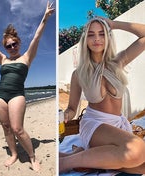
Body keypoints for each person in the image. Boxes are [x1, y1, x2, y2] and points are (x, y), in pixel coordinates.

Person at [0, 1, 54, 172]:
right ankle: (14, 154)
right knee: (6, 128)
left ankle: (32, 157)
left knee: (17, 128)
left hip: (17, 94)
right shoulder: (2, 59)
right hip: (0, 95)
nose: (12, 47)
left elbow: (37, 37)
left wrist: (45, 17)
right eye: (8, 46)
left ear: (18, 43)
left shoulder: (26, 58)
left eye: (14, 44)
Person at [59, 17, 145, 173]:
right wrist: (66, 114)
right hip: (94, 124)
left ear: (108, 36)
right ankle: (65, 163)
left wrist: (115, 24)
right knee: (138, 150)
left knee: (141, 164)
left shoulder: (118, 62)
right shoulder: (79, 74)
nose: (97, 39)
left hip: (117, 125)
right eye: (91, 34)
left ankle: (84, 157)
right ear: (85, 39)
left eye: (102, 33)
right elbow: (72, 108)